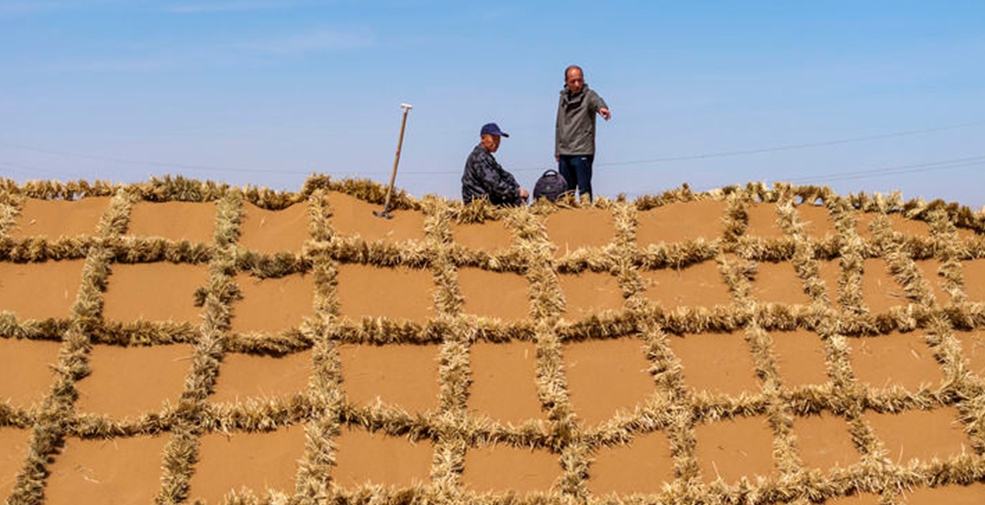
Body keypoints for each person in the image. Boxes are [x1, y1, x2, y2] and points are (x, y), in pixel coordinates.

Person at [555, 65, 611, 202]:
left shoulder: (589, 95)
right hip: (564, 151)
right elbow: (559, 124)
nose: (577, 84)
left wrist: (602, 108)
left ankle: (587, 214)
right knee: (566, 194)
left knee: (584, 191)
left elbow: (597, 101)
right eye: (573, 81)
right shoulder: (563, 97)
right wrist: (557, 150)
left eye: (580, 80)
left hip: (582, 150)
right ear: (566, 81)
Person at [462, 123, 529, 206]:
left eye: (498, 139)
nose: (497, 143)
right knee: (516, 201)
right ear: (483, 138)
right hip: (479, 203)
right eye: (494, 138)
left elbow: (504, 175)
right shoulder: (479, 157)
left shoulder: (487, 157)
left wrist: (517, 187)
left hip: (487, 200)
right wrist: (516, 192)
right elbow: (494, 185)